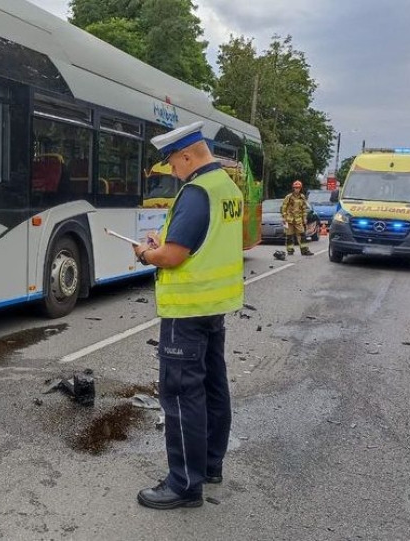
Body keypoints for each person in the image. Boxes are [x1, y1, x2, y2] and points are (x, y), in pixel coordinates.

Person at [131, 121, 244, 510]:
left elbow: (175, 256)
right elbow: (207, 242)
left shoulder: (196, 191)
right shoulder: (227, 188)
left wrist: (147, 253)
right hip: (214, 307)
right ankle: (210, 465)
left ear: (186, 155)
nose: (173, 173)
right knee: (214, 387)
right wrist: (166, 243)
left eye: (172, 165)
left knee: (180, 395)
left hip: (187, 311)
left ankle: (183, 484)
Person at [280, 180, 313, 256]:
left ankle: (304, 250)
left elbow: (304, 209)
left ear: (301, 188)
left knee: (302, 235)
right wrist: (284, 217)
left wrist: (304, 218)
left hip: (298, 220)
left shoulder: (302, 197)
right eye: (295, 188)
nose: (297, 189)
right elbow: (283, 207)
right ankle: (290, 250)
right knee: (289, 236)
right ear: (293, 188)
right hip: (289, 220)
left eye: (298, 188)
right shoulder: (289, 197)